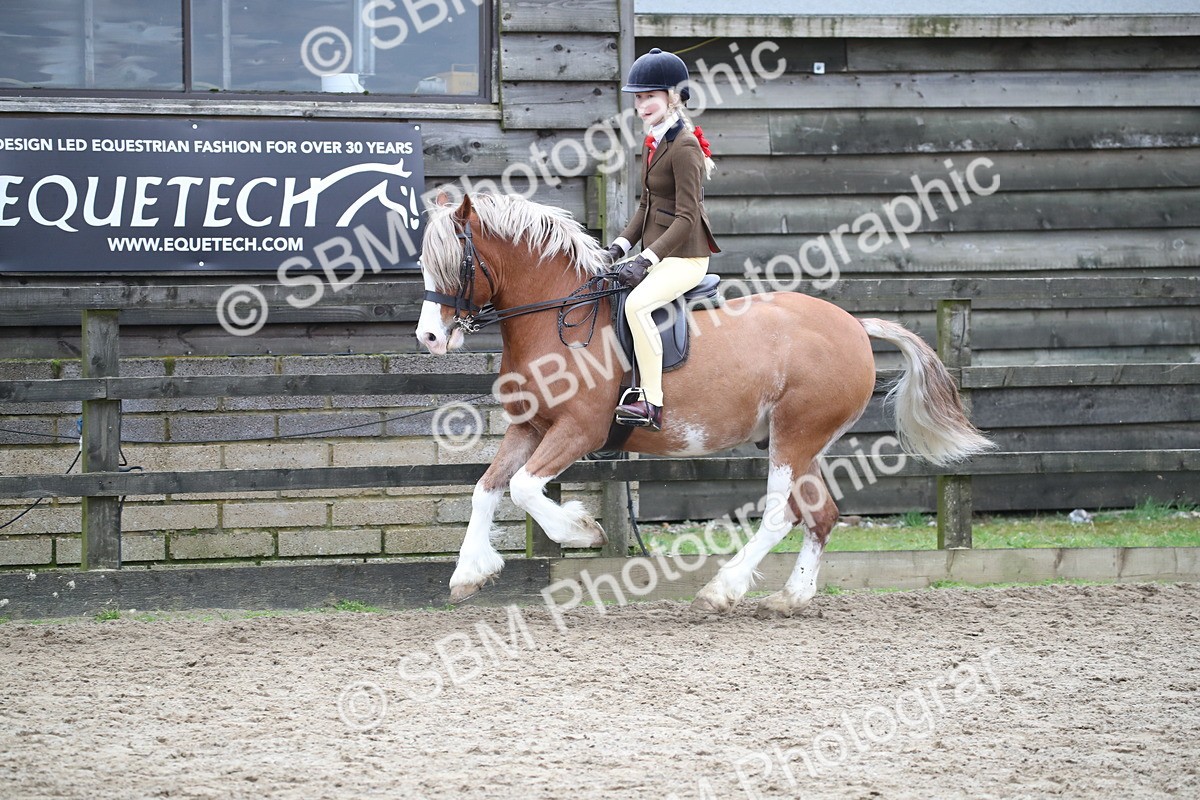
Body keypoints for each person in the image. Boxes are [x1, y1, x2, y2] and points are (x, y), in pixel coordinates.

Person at [608, 47, 720, 432]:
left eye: (649, 97)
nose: (641, 105)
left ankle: (651, 403)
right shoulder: (653, 142)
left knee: (637, 306)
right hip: (658, 253)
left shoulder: (685, 145)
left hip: (686, 257)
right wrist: (620, 248)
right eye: (637, 98)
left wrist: (647, 259)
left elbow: (687, 218)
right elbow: (646, 206)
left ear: (673, 97)